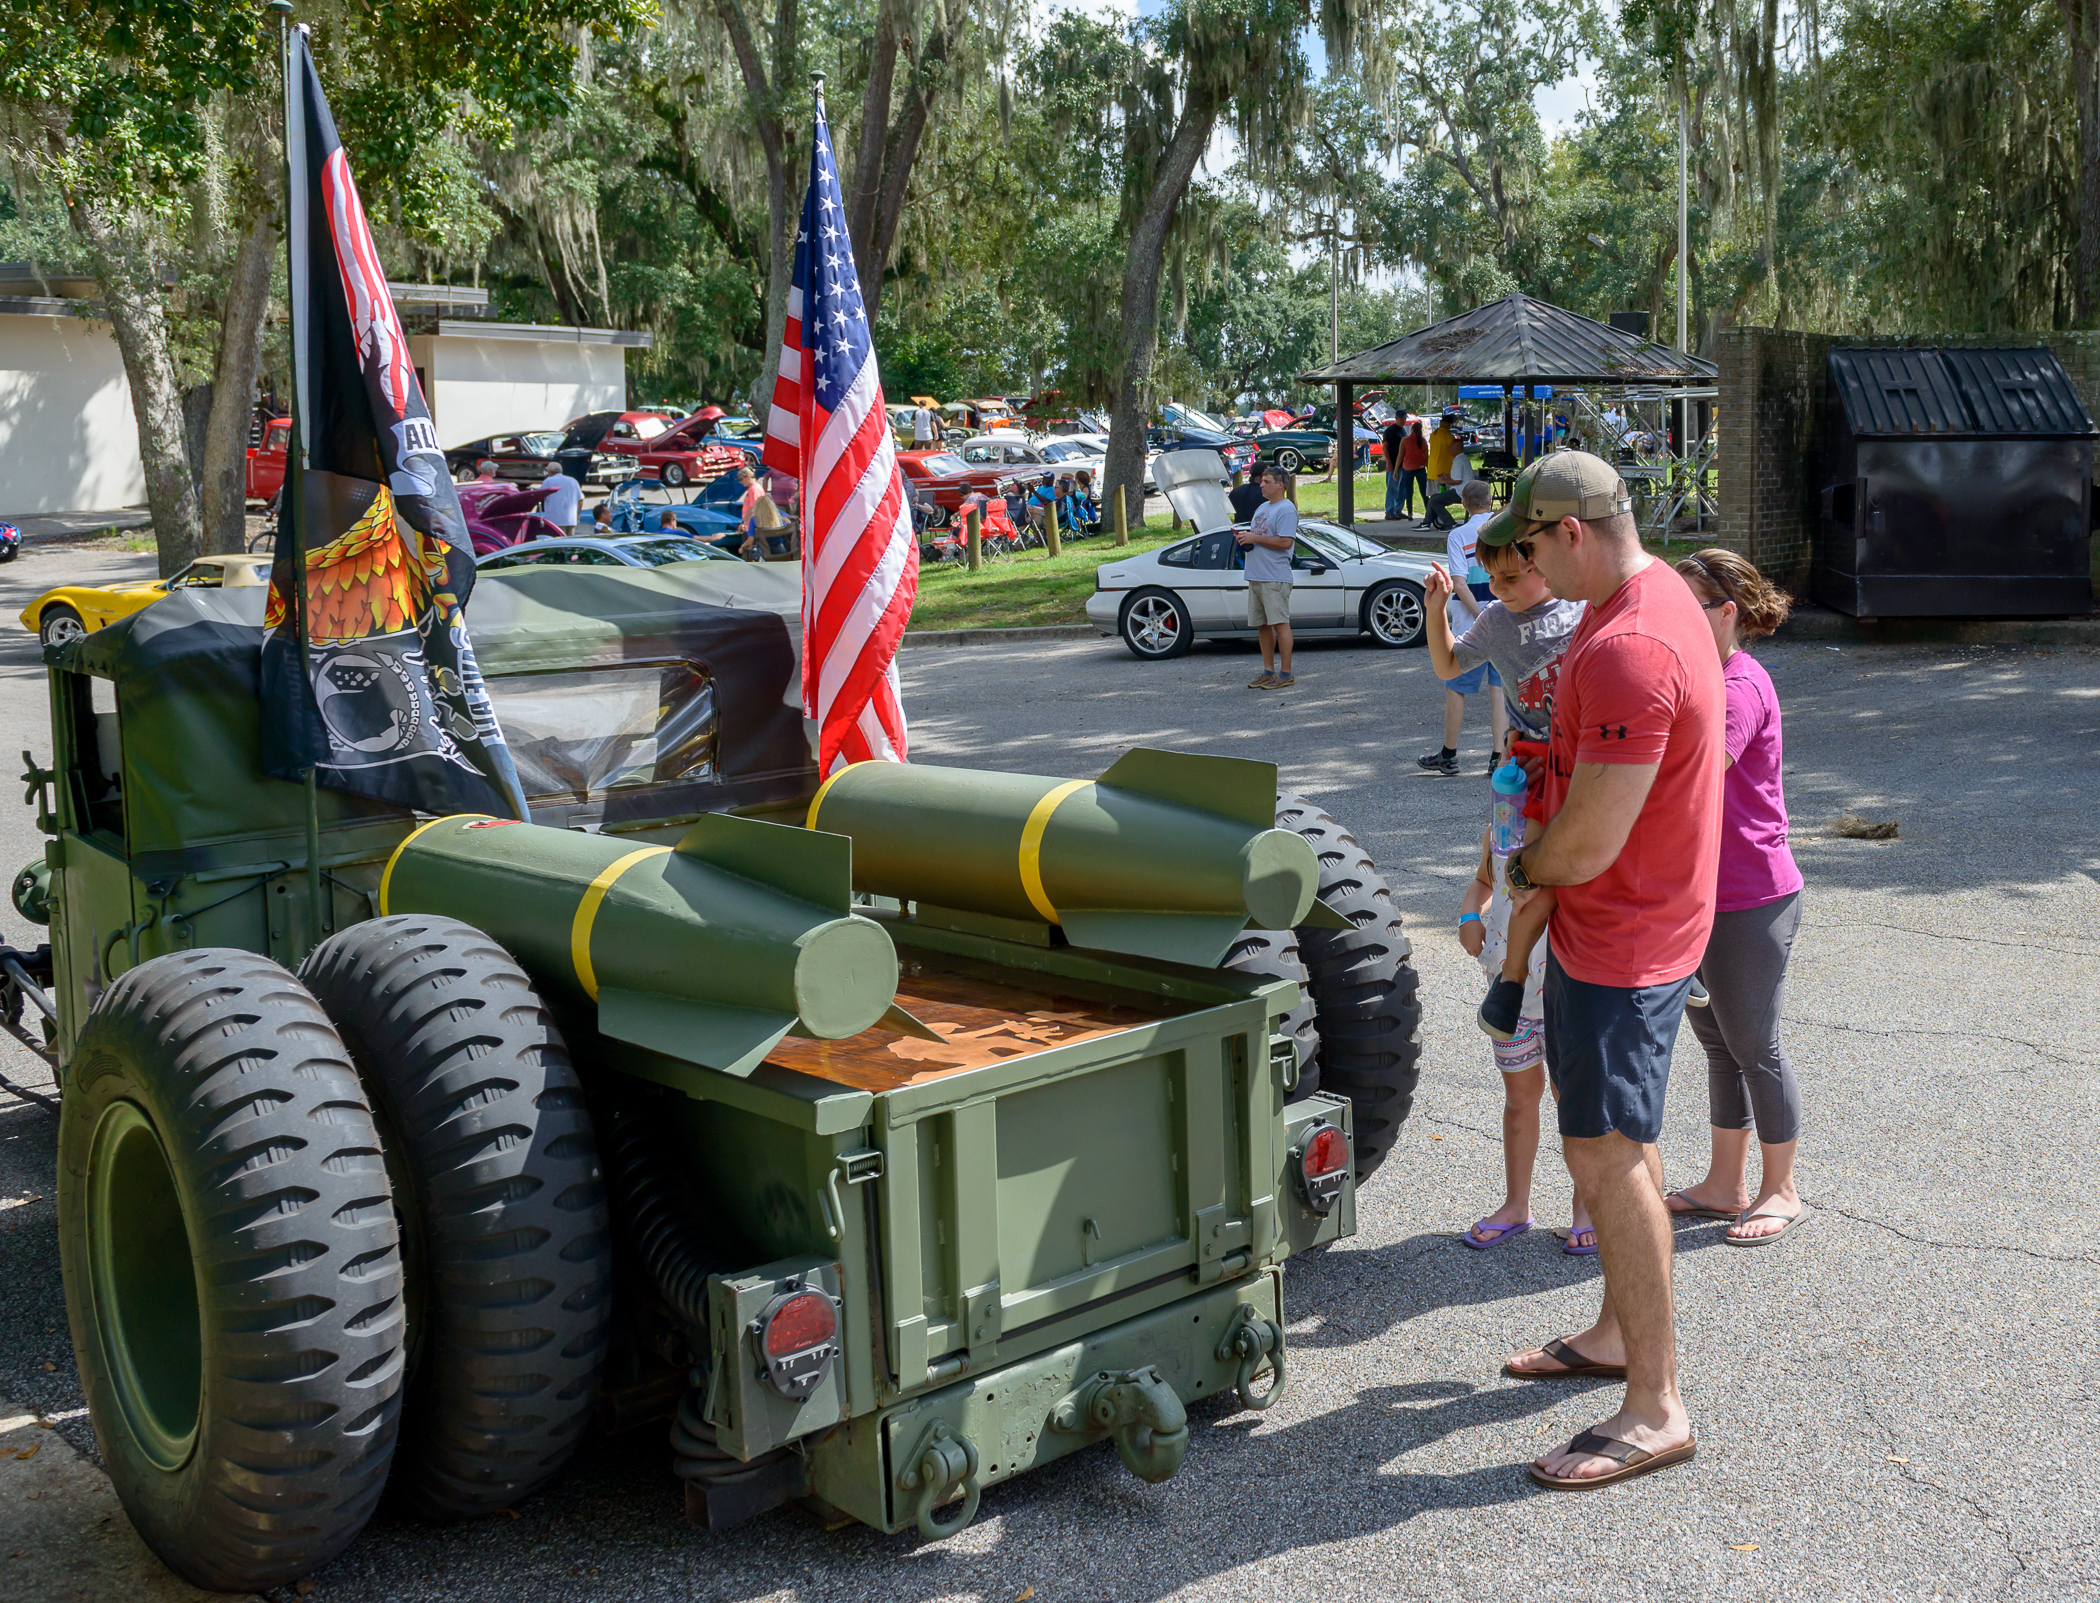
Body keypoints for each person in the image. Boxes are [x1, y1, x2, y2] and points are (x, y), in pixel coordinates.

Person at [1487, 453, 1722, 1497]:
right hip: (1632, 927)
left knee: (1609, 1151)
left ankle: (1657, 1404)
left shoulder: (1626, 643)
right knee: (1614, 1144)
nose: (1523, 564)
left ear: (1570, 532)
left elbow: (1589, 840)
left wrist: (1524, 874)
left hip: (1621, 940)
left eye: (1528, 545)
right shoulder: (1656, 588)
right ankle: (1620, 1335)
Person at [1429, 531, 1589, 1254]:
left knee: (1576, 1091)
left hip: (1578, 773)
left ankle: (1592, 1207)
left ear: (1544, 563)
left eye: (1513, 576)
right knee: (1521, 1091)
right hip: (1524, 773)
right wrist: (1471, 904)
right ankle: (1516, 1202)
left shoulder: (1584, 612)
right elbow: (1491, 856)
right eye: (1489, 578)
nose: (1501, 588)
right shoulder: (1495, 622)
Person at [1663, 550, 1806, 1246]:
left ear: (1726, 615)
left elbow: (1701, 769)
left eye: (1688, 609)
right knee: (1718, 1040)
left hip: (1752, 896)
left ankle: (1782, 1189)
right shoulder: (1701, 679)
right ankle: (1726, 1183)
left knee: (1755, 1044)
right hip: (1704, 894)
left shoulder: (1738, 684)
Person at [1415, 481, 1506, 775]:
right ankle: (1497, 757)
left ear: (1464, 504)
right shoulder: (1503, 532)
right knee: (1499, 690)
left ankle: (1449, 753)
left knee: (1455, 687)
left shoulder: (1459, 535)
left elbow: (1459, 581)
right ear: (1490, 500)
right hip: (1504, 619)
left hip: (1471, 626)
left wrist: (1481, 615)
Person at [1237, 465, 1297, 690]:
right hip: (1256, 575)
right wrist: (1245, 538)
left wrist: (1256, 538)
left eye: (1267, 481)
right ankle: (1268, 671)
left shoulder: (1286, 509)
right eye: (1262, 481)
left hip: (1275, 576)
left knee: (1280, 624)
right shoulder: (1263, 507)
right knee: (1262, 625)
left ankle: (1286, 673)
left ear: (1280, 485)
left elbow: (1285, 542)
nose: (1261, 485)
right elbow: (1260, 536)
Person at [1396, 420, 1430, 520]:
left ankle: (1410, 513)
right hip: (1420, 469)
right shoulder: (1423, 441)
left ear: (1411, 429)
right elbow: (1426, 458)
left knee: (1409, 492)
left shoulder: (1405, 440)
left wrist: (1395, 470)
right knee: (1424, 492)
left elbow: (1400, 456)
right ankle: (1428, 512)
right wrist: (1429, 470)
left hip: (1407, 468)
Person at [539, 461, 582, 535]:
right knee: (570, 543)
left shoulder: (548, 481)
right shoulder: (573, 481)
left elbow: (539, 495)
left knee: (558, 543)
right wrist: (577, 515)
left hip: (555, 520)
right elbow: (580, 500)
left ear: (549, 472)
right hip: (571, 520)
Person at [1382, 415, 1408, 518]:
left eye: (1404, 418)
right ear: (1396, 418)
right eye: (1401, 418)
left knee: (1402, 489)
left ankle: (1398, 510)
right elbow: (1385, 447)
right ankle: (1389, 511)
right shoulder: (1389, 431)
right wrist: (1388, 462)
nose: (1403, 420)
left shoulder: (1403, 431)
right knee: (1392, 487)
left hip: (1403, 464)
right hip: (1392, 463)